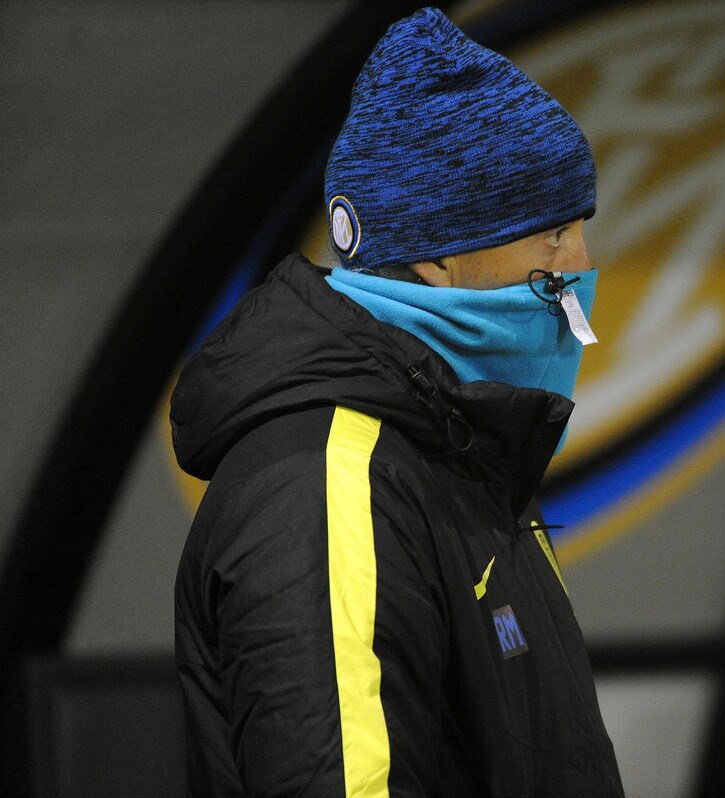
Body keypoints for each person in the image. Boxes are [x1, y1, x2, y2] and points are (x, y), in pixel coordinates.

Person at [171, 8, 623, 796]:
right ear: (438, 256)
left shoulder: (458, 447)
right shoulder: (327, 487)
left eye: (580, 226)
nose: (581, 263)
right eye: (551, 235)